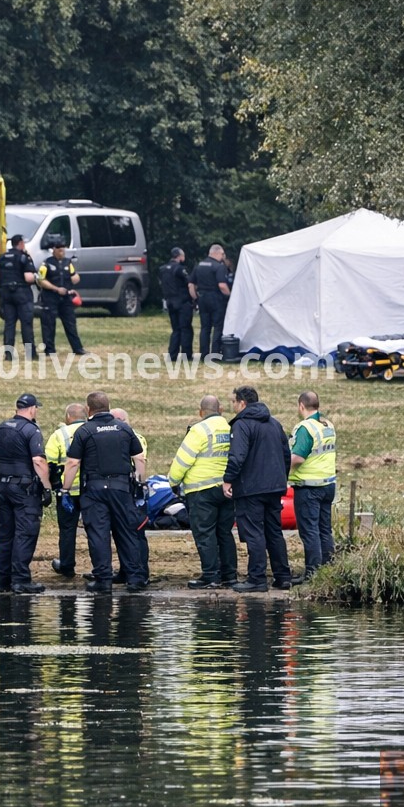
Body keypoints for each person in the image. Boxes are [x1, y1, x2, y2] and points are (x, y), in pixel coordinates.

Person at [62, 391, 147, 593]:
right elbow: (140, 458)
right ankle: (134, 579)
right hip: (121, 489)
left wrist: (65, 489)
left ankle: (103, 580)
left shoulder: (84, 431)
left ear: (89, 409)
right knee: (126, 532)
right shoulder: (124, 429)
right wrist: (140, 484)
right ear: (108, 407)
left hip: (95, 490)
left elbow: (73, 462)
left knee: (98, 534)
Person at [222, 385, 300, 592]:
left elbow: (237, 456)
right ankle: (283, 576)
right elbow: (286, 455)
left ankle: (257, 578)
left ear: (242, 403)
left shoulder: (242, 425)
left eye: (233, 402)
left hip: (251, 489)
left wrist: (228, 480)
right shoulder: (274, 424)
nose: (232, 405)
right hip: (274, 487)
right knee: (274, 531)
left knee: (254, 533)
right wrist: (281, 479)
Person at [168, 395, 237, 588]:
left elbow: (183, 460)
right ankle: (229, 575)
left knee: (205, 533)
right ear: (221, 410)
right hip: (226, 488)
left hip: (201, 491)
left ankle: (211, 576)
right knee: (224, 532)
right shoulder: (230, 428)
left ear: (201, 412)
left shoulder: (199, 430)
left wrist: (173, 481)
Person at [0, 393, 51, 593]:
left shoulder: (2, 427)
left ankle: (2, 580)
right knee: (25, 533)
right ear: (31, 409)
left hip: (4, 487)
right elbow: (38, 461)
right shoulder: (31, 430)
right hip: (24, 490)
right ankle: (21, 580)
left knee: (6, 534)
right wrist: (47, 486)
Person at [288, 390, 337, 580]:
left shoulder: (305, 428)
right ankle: (328, 570)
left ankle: (313, 573)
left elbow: (298, 457)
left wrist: (281, 466)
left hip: (309, 487)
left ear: (301, 406)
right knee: (325, 529)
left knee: (309, 531)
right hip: (328, 485)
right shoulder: (327, 425)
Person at [46, 403, 88, 576]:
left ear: (68, 417)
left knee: (67, 530)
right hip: (90, 490)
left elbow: (49, 462)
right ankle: (101, 568)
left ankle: (67, 566)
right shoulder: (92, 430)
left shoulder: (59, 435)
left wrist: (51, 486)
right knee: (95, 529)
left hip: (67, 492)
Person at [111, 407, 149, 583]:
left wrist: (140, 487)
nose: (117, 422)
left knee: (136, 532)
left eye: (120, 419)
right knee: (120, 532)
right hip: (120, 490)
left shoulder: (136, 437)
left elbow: (140, 460)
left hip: (132, 490)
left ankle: (141, 571)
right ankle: (126, 570)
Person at [38, 239, 88, 355]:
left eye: (63, 249)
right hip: (50, 297)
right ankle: (49, 350)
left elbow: (75, 276)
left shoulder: (68, 262)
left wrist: (74, 280)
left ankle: (78, 348)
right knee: (49, 324)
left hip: (66, 298)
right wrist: (56, 289)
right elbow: (40, 280)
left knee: (70, 323)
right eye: (59, 250)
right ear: (54, 250)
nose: (62, 252)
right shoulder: (46, 264)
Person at [0, 234, 37, 359]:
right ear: (21, 244)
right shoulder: (23, 257)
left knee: (9, 324)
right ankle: (30, 353)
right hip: (22, 293)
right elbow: (28, 277)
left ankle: (8, 354)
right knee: (26, 323)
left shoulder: (2, 257)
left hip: (6, 294)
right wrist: (36, 278)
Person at [189, 244, 231, 360]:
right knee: (218, 326)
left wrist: (196, 298)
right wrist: (230, 296)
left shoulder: (199, 265)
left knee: (205, 327)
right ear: (216, 253)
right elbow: (222, 285)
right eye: (222, 254)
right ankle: (215, 354)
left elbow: (191, 285)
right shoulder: (219, 267)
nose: (223, 256)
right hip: (216, 298)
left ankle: (204, 354)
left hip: (202, 298)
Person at [159, 247, 193, 361]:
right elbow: (189, 282)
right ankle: (186, 355)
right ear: (179, 256)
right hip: (182, 302)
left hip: (170, 302)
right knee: (186, 329)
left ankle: (172, 355)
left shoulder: (163, 269)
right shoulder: (180, 269)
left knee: (175, 329)